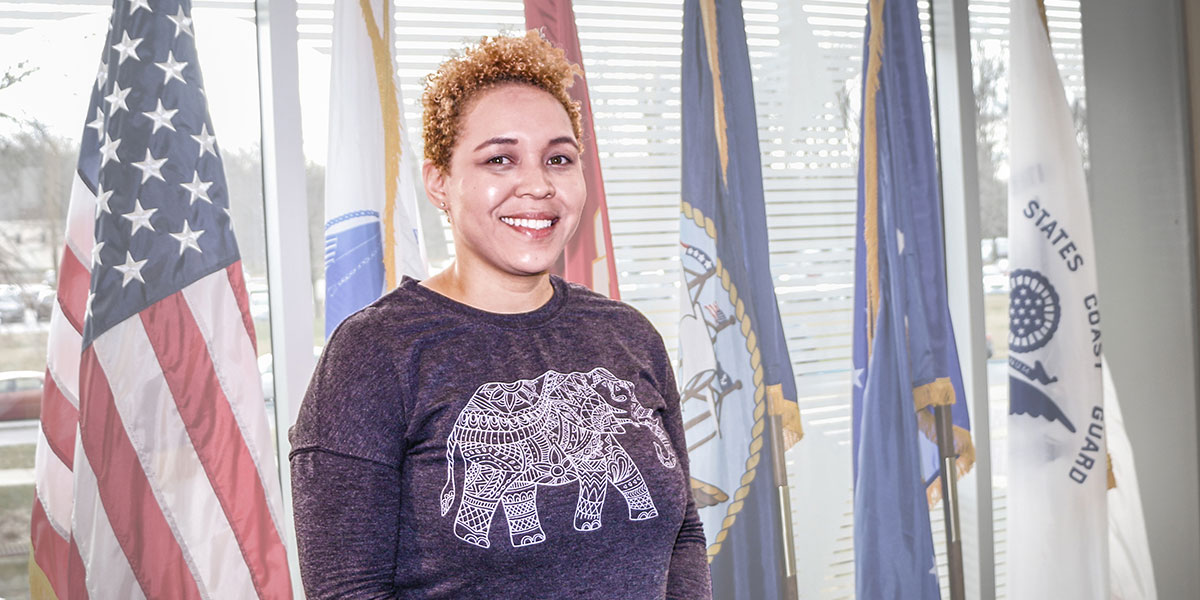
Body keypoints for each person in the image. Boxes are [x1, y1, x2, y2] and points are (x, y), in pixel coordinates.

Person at [289, 31, 711, 599]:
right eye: (500, 159)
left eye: (558, 159)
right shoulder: (375, 352)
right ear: (439, 182)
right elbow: (347, 590)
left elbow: (682, 532)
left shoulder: (628, 336)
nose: (537, 185)